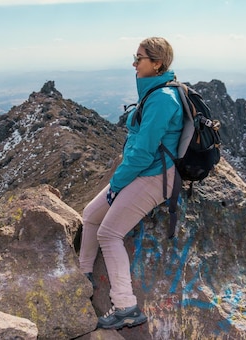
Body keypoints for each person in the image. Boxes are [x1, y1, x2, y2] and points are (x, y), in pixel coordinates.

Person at [78, 36, 183, 330]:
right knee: (90, 215)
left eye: (139, 58)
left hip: (154, 177)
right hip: (143, 170)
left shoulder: (162, 99)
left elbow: (143, 152)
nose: (134, 64)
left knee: (109, 234)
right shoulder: (155, 92)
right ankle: (83, 274)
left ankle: (126, 307)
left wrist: (116, 185)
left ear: (157, 63)